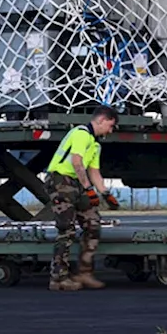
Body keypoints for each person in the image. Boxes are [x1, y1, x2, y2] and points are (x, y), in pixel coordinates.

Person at [44, 105, 119, 291]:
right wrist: (89, 189)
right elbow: (76, 162)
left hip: (77, 184)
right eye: (110, 126)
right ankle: (58, 278)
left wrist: (105, 194)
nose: (110, 131)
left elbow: (94, 172)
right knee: (66, 229)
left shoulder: (95, 145)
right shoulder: (80, 133)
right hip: (61, 181)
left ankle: (84, 273)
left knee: (93, 223)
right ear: (101, 120)